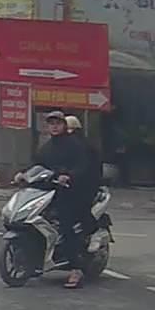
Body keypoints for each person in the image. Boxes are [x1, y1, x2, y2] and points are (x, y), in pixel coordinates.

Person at [20, 110, 96, 288]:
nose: (54, 127)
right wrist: (23, 174)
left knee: (65, 225)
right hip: (49, 191)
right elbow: (37, 164)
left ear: (64, 125)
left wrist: (69, 175)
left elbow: (82, 165)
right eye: (51, 124)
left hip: (71, 191)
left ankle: (76, 268)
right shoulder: (47, 147)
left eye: (58, 123)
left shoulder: (74, 145)